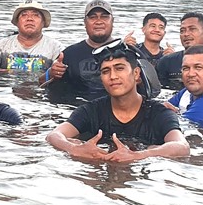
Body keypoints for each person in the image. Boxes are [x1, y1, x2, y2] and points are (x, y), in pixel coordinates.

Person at [46, 42, 189, 163]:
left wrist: (139, 155)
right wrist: (74, 149)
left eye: (119, 68)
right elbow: (54, 135)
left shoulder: (158, 113)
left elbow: (182, 147)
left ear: (136, 73)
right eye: (106, 71)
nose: (113, 76)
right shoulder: (91, 110)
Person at [47, 0, 116, 100]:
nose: (99, 21)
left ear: (112, 21)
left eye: (104, 17)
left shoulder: (124, 52)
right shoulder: (69, 54)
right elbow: (44, 85)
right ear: (85, 23)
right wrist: (51, 73)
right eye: (93, 17)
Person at [0, 0, 64, 85]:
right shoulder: (1, 46)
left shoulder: (56, 48)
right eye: (24, 15)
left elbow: (59, 72)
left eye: (35, 15)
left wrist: (56, 70)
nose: (29, 19)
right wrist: (8, 72)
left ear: (43, 22)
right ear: (17, 22)